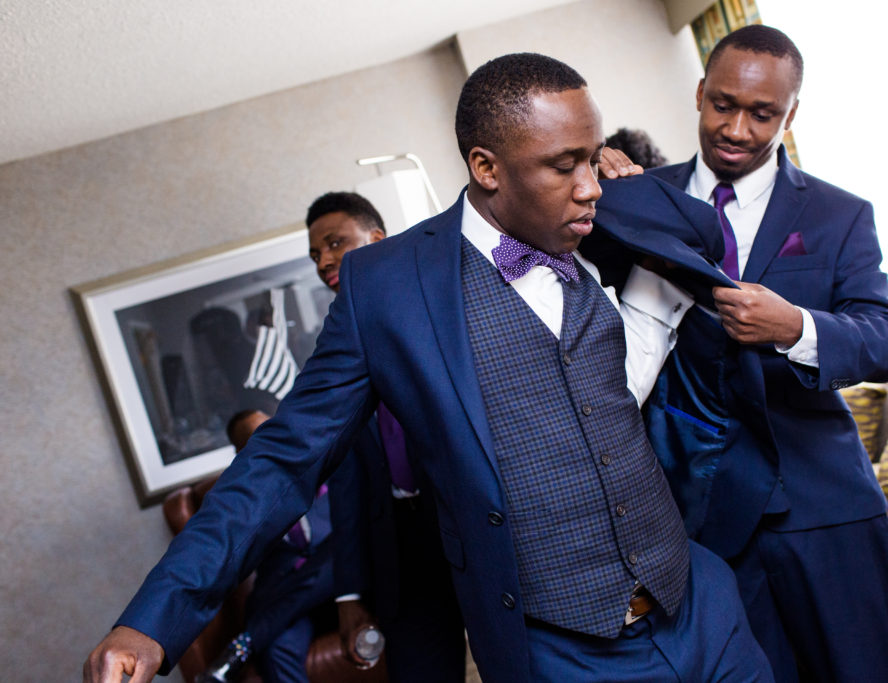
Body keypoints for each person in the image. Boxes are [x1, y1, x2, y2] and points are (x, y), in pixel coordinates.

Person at [83, 52, 771, 683]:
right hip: (562, 652)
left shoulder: (609, 216)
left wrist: (635, 187)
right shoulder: (386, 289)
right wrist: (151, 619)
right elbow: (281, 460)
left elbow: (708, 235)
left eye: (593, 158)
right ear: (487, 166)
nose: (589, 185)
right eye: (565, 164)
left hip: (701, 608)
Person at [638, 25, 888, 681]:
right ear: (700, 93)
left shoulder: (841, 215)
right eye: (723, 104)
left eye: (762, 114)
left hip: (824, 505)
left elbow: (886, 337)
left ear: (791, 115)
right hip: (703, 517)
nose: (736, 128)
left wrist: (796, 327)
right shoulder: (641, 201)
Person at [305, 191, 466, 682]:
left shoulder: (442, 308)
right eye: (315, 254)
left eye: (335, 243)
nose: (325, 260)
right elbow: (346, 485)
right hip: (398, 556)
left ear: (377, 239)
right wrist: (349, 596)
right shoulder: (334, 352)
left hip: (467, 524)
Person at [197, 409, 339, 683]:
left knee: (339, 551)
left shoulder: (329, 461)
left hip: (343, 585)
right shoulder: (240, 500)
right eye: (257, 439)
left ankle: (244, 644)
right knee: (277, 648)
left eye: (273, 430)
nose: (273, 441)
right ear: (242, 454)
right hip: (282, 595)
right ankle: (254, 640)